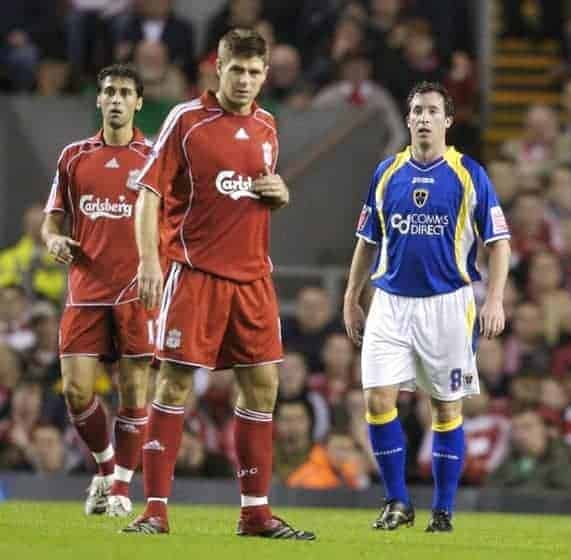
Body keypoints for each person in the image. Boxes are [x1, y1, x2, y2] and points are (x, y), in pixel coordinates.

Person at [125, 28, 315, 540]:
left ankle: (255, 514)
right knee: (174, 383)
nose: (247, 80)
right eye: (238, 71)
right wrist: (149, 261)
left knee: (263, 386)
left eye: (256, 73)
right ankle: (155, 512)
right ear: (219, 68)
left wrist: (280, 193)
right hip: (195, 274)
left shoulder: (269, 125)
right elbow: (148, 193)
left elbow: (257, 191)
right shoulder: (185, 120)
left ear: (265, 74)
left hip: (253, 278)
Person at [343, 81, 511, 532]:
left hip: (448, 305)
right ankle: (397, 501)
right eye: (416, 110)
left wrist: (494, 298)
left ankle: (443, 509)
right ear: (407, 117)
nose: (422, 118)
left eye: (432, 111)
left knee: (445, 408)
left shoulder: (468, 173)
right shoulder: (386, 173)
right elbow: (366, 240)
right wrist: (351, 297)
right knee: (377, 398)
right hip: (390, 302)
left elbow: (498, 242)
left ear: (447, 121)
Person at [40, 64, 154, 517]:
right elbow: (53, 217)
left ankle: (123, 490)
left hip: (135, 292)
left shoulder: (155, 157)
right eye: (108, 91)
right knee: (75, 392)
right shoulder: (73, 157)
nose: (116, 99)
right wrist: (52, 239)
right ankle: (106, 470)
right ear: (98, 99)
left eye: (125, 92)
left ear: (138, 102)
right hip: (86, 290)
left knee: (133, 392)